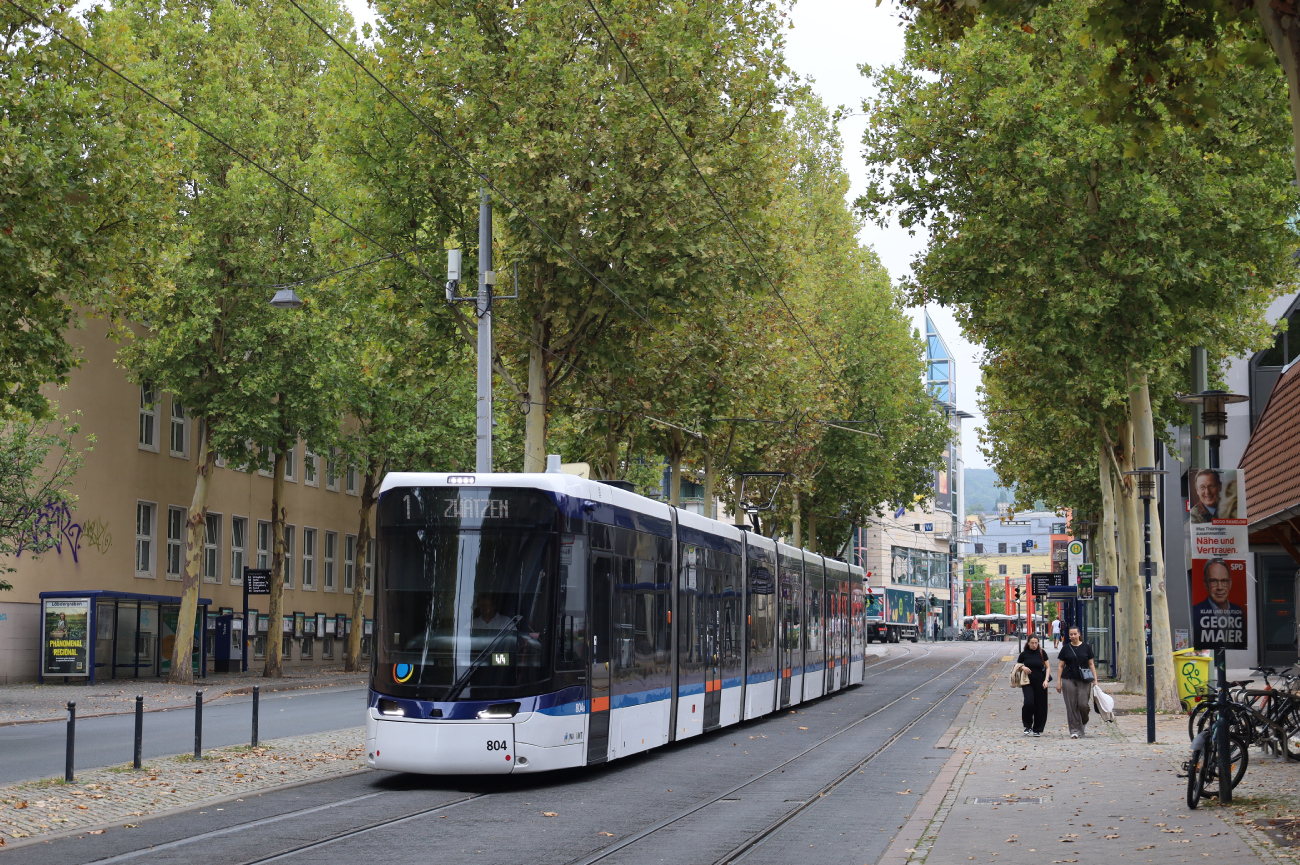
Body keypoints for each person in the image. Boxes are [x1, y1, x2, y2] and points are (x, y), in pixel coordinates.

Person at [1056, 625, 1098, 738]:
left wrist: (1096, 680)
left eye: (1075, 634)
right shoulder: (1066, 648)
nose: (1073, 636)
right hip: (1068, 678)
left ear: (1079, 634)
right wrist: (1058, 682)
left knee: (1083, 704)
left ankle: (1084, 720)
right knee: (1071, 706)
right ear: (1068, 636)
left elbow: (1091, 664)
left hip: (1084, 679)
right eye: (1071, 634)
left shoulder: (1087, 647)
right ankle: (1075, 730)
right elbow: (1060, 666)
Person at [1017, 634, 1051, 736]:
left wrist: (1046, 680)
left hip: (1040, 680)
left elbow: (1048, 667)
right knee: (1028, 702)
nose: (1034, 645)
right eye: (1032, 643)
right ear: (1028, 643)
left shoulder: (1042, 653)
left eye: (1036, 643)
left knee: (1040, 705)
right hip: (1027, 681)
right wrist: (1023, 667)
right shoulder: (1024, 654)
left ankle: (1037, 729)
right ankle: (1028, 725)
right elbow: (1017, 666)